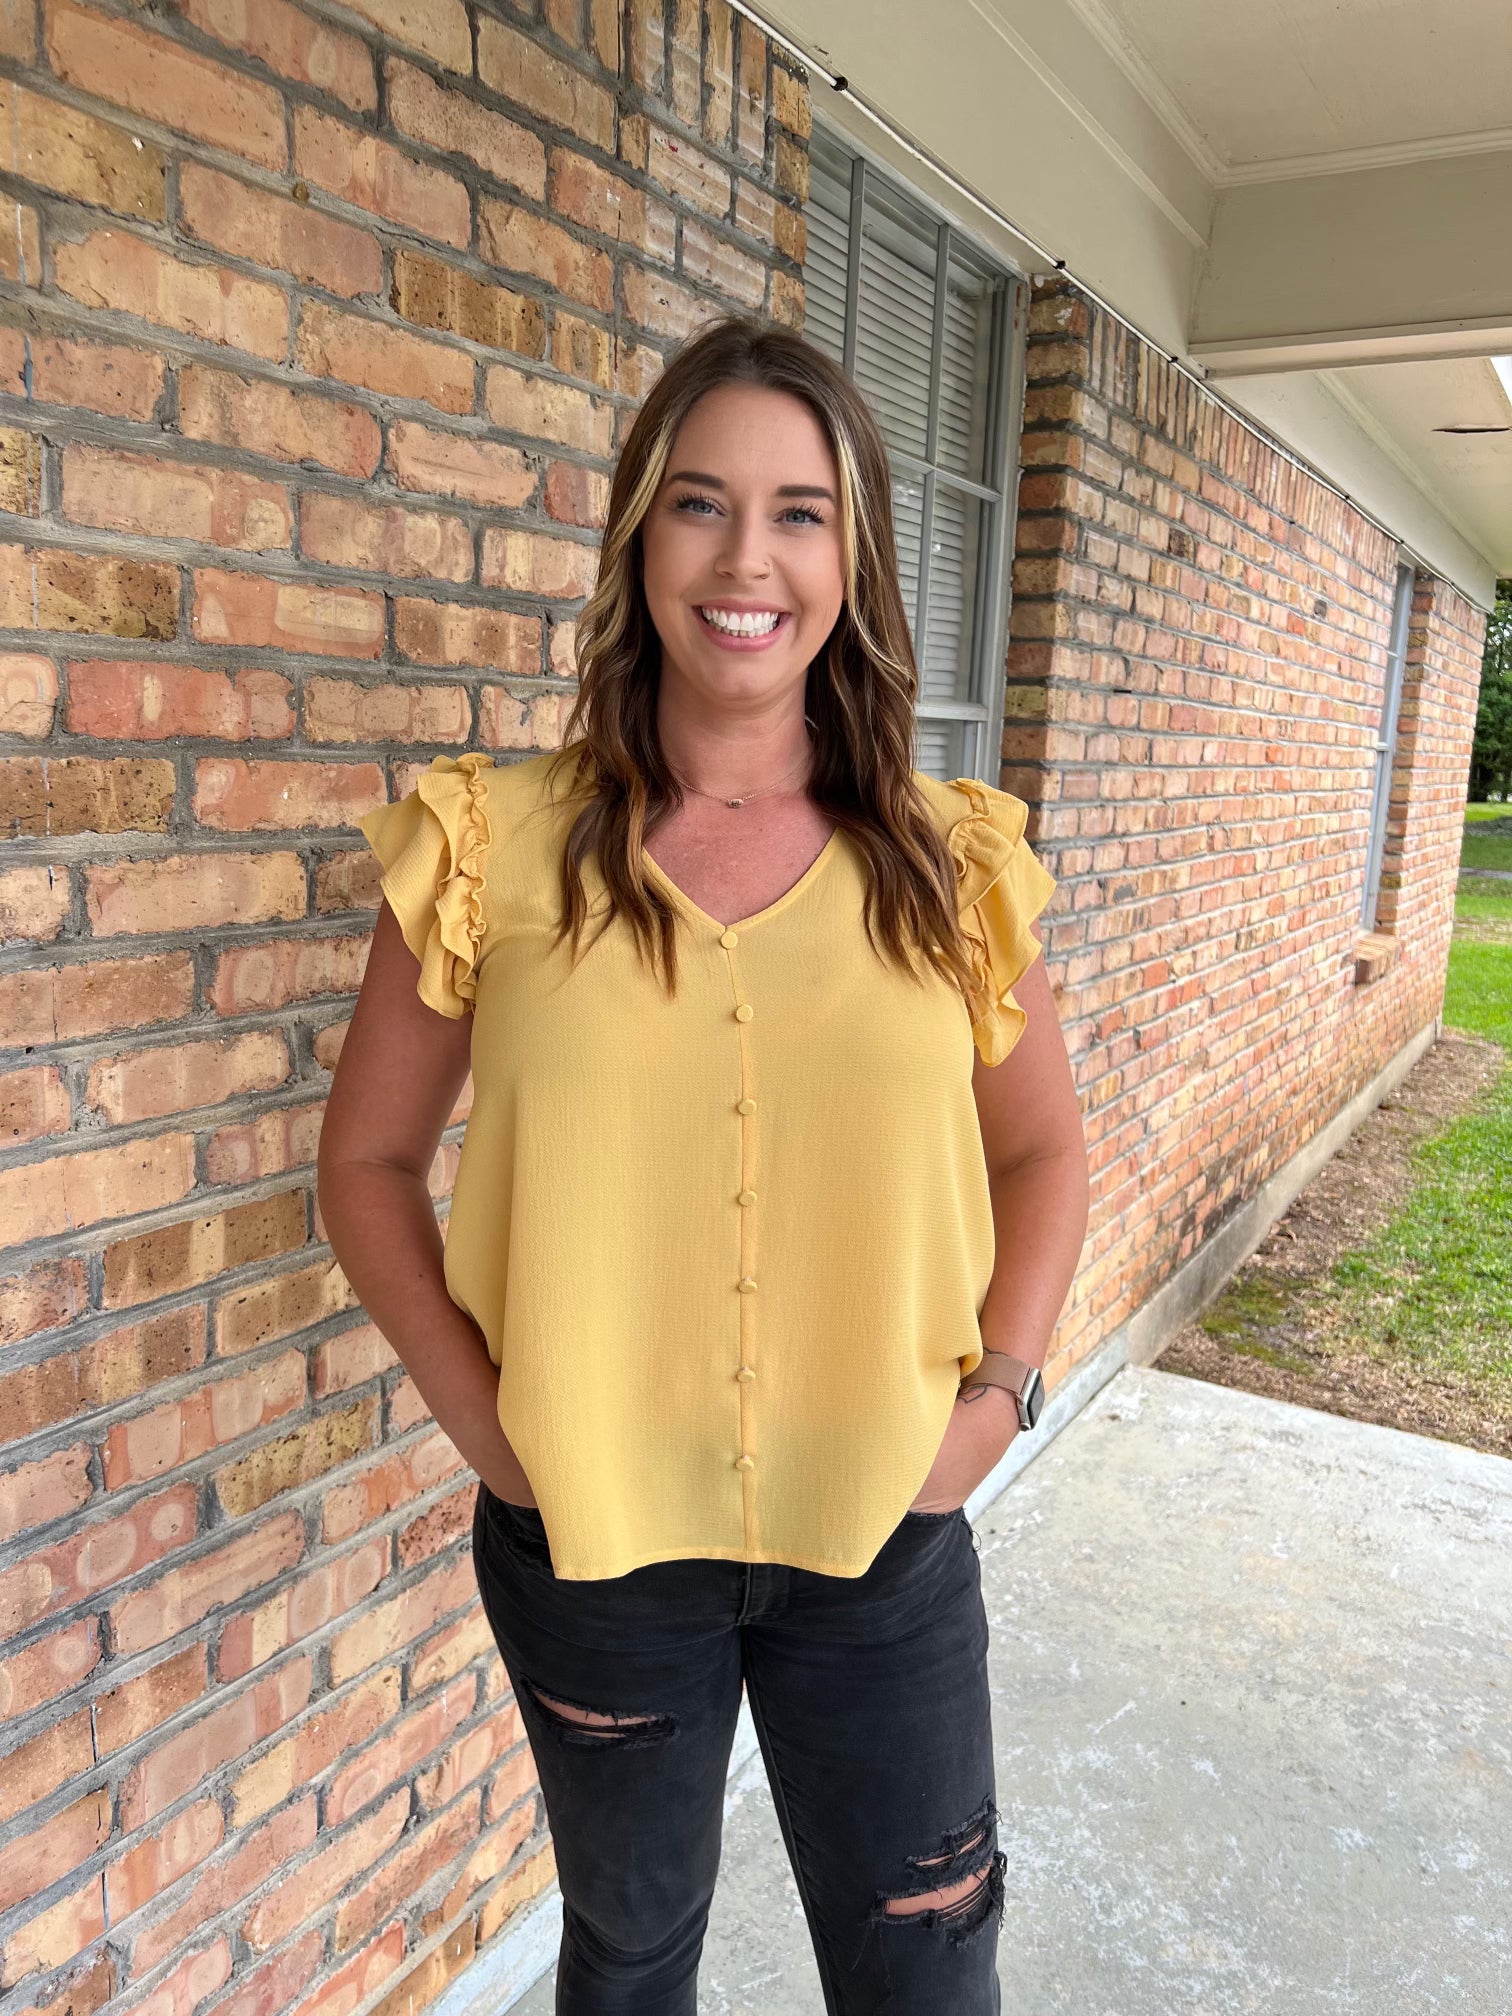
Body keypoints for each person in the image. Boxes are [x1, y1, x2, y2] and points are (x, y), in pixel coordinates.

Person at [319, 311, 1090, 2015]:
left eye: (800, 512)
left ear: (853, 555)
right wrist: (498, 1433)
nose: (749, 559)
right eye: (700, 504)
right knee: (632, 1954)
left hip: (886, 1533)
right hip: (594, 1550)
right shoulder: (490, 842)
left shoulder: (953, 861)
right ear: (638, 537)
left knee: (927, 1971)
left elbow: (1042, 1149)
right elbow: (365, 1162)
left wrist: (997, 1402)